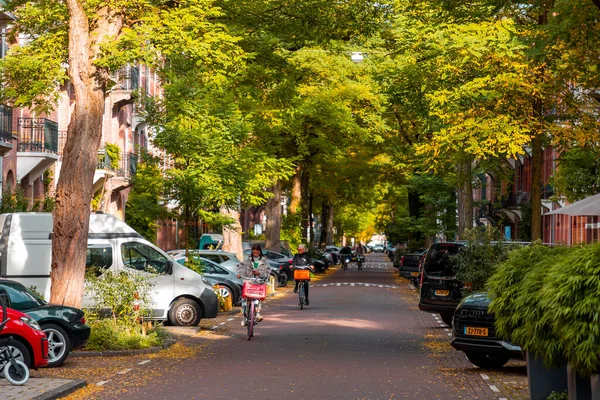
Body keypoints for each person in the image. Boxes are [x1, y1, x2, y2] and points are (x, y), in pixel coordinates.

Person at [238, 244, 270, 326]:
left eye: (257, 252)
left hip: (259, 282)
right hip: (249, 281)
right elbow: (241, 267)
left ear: (260, 252)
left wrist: (260, 273)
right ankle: (245, 317)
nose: (256, 254)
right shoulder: (247, 260)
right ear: (252, 251)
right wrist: (240, 274)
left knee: (257, 299)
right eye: (254, 252)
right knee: (244, 299)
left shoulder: (264, 261)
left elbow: (268, 271)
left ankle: (258, 314)